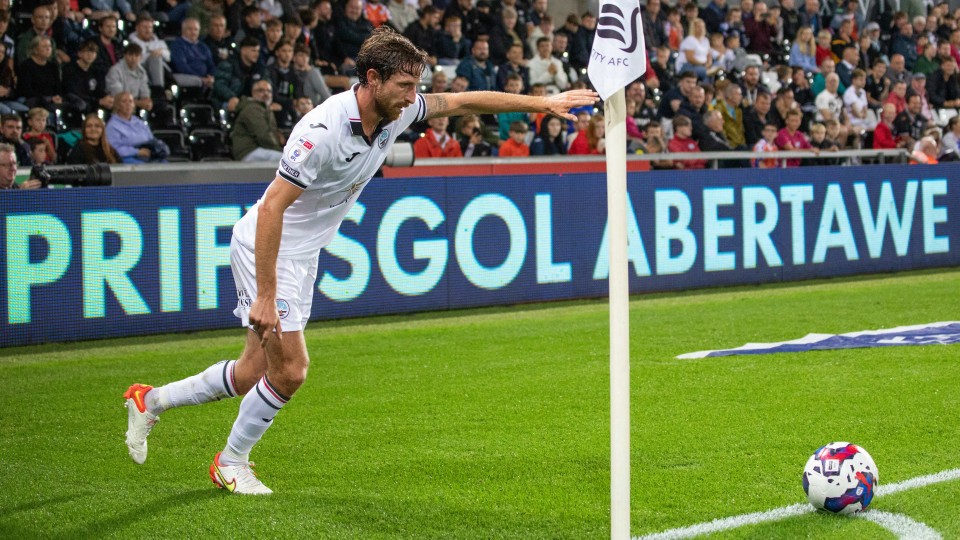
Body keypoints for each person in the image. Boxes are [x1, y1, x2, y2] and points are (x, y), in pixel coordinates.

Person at [122, 26, 597, 495]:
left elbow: (460, 101)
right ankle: (231, 463)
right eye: (404, 85)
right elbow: (270, 209)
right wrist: (266, 294)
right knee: (291, 370)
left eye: (416, 85)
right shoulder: (321, 131)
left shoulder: (397, 112)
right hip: (268, 249)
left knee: (251, 373)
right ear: (372, 78)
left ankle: (150, 400)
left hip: (302, 253)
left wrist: (543, 104)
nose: (413, 97)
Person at [230, 79, 285, 162]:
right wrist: (280, 150)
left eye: (269, 91)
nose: (266, 93)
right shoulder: (252, 108)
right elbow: (263, 135)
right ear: (253, 93)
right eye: (261, 90)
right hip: (248, 151)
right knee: (287, 160)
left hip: (261, 149)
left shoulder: (264, 109)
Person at [106, 92, 168, 163]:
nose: (128, 104)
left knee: (163, 162)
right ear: (117, 105)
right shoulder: (112, 126)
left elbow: (151, 139)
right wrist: (137, 152)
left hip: (147, 154)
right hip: (128, 157)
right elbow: (114, 149)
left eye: (130, 101)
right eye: (124, 101)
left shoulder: (139, 122)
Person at [169, 17, 216, 89]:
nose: (193, 32)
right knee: (199, 81)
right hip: (187, 76)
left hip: (205, 78)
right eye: (190, 29)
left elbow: (211, 64)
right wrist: (200, 78)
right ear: (183, 30)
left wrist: (211, 76)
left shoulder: (202, 46)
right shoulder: (177, 45)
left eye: (196, 29)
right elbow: (182, 66)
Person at [106, 43, 154, 111]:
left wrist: (147, 101)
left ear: (140, 57)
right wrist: (138, 103)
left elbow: (144, 89)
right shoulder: (115, 70)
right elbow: (118, 96)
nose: (133, 58)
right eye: (130, 55)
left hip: (135, 107)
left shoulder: (142, 72)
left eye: (136, 56)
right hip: (117, 107)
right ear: (125, 55)